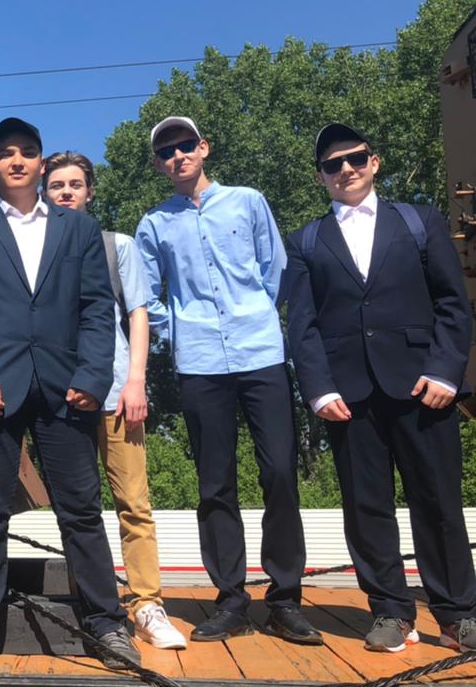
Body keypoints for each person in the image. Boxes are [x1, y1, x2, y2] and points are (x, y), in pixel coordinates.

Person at [0, 116, 137, 673]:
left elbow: (97, 308)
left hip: (66, 389)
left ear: (41, 164)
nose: (17, 160)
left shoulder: (79, 230)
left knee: (81, 511)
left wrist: (92, 377)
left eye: (26, 151)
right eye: (6, 153)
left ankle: (106, 624)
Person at [282, 122, 476, 652]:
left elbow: (452, 304)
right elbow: (302, 324)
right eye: (332, 164)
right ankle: (390, 611)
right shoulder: (305, 241)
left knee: (438, 502)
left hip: (423, 388)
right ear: (321, 177)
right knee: (366, 508)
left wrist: (446, 372)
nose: (345, 169)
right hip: (349, 397)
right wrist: (319, 390)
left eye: (355, 158)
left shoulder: (420, 221)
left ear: (374, 162)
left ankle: (458, 614)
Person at [135, 116, 320, 645]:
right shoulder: (154, 224)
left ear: (204, 148)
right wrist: (179, 330)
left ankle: (284, 601)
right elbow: (147, 294)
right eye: (166, 151)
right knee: (215, 484)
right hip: (199, 363)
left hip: (260, 352)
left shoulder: (248, 201)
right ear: (158, 165)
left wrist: (253, 314)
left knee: (280, 471)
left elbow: (274, 270)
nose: (177, 156)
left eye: (184, 145)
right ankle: (232, 601)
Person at [44, 151, 186, 650]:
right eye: (56, 185)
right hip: (60, 399)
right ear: (44, 193)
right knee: (76, 509)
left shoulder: (115, 246)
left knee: (133, 504)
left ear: (90, 191)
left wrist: (136, 381)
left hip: (116, 394)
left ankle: (147, 605)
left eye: (74, 184)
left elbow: (138, 315)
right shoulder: (34, 252)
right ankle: (92, 607)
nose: (66, 192)